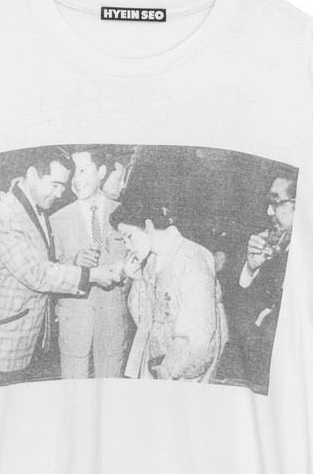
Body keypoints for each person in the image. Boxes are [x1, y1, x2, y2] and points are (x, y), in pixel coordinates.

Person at [0, 148, 119, 385]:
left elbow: (46, 261)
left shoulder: (32, 209)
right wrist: (90, 274)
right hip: (7, 342)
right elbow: (37, 274)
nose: (60, 193)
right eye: (55, 184)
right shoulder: (8, 217)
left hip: (29, 337)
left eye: (62, 186)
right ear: (32, 174)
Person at [111, 198, 228, 382]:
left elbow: (197, 337)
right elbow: (144, 323)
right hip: (159, 367)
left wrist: (169, 370)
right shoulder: (151, 262)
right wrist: (138, 280)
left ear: (148, 225)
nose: (127, 246)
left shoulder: (191, 258)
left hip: (185, 373)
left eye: (129, 236)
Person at [50, 147, 130, 378]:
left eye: (83, 171)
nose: (77, 180)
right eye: (73, 173)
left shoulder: (123, 213)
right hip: (74, 325)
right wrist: (74, 261)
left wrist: (122, 272)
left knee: (110, 390)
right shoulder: (57, 219)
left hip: (112, 322)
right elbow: (49, 271)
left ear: (101, 172)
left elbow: (136, 262)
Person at [219, 174, 296, 390]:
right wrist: (251, 268)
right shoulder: (276, 252)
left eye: (276, 202)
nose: (269, 211)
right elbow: (241, 324)